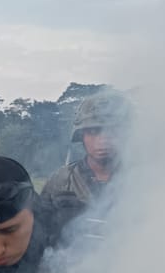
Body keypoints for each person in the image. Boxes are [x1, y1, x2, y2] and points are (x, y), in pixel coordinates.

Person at [39, 88, 131, 233]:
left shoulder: (141, 180)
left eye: (112, 131)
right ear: (81, 136)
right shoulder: (62, 181)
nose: (103, 139)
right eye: (93, 132)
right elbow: (39, 231)